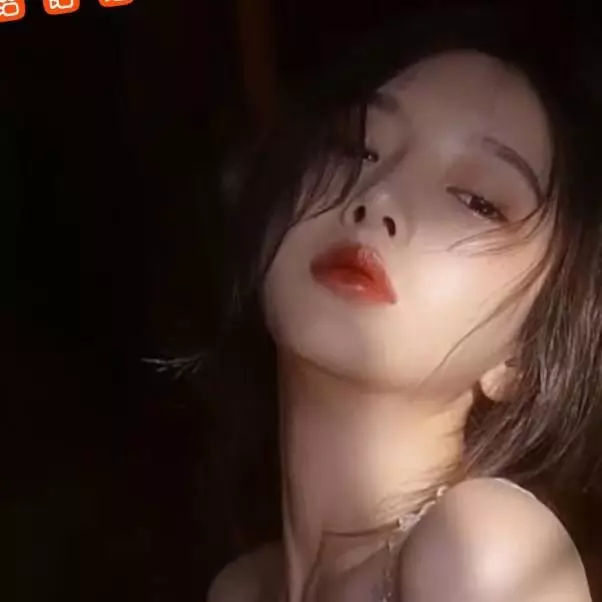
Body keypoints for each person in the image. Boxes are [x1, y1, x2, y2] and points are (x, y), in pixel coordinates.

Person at [204, 4, 600, 601]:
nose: (380, 196)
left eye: (477, 200)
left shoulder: (483, 554)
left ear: (526, 352)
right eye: (355, 147)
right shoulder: (237, 589)